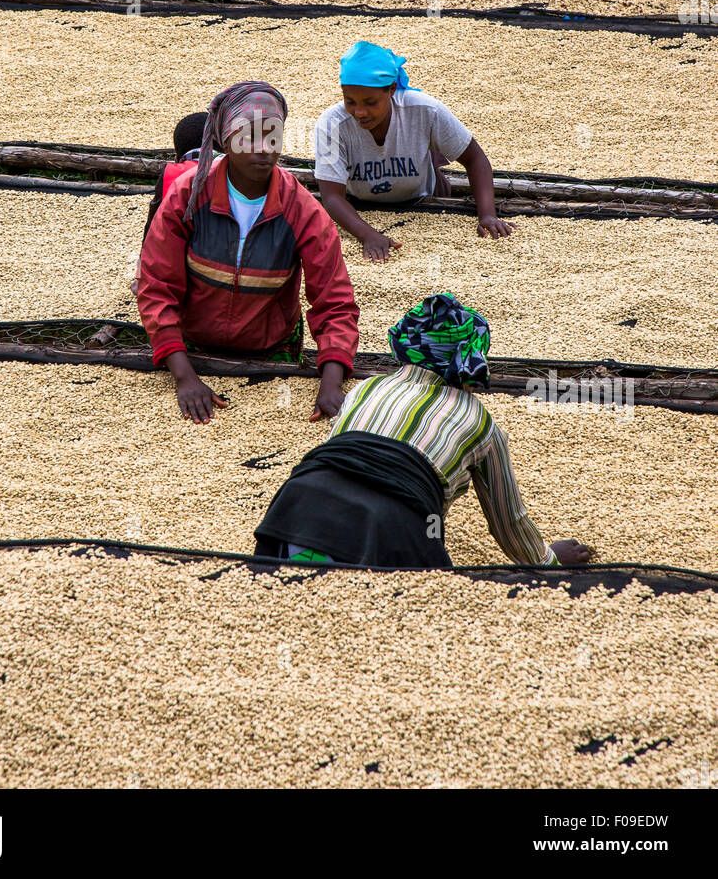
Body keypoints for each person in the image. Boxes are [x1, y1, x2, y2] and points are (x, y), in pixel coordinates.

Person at [255, 293, 593, 569]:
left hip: (297, 505)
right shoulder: (480, 422)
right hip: (389, 525)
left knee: (295, 592)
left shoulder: (365, 389)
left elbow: (343, 462)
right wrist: (547, 560)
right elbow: (508, 520)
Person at [136, 80, 360, 425]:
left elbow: (334, 301)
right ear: (226, 140)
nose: (264, 149)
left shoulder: (301, 209)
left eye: (273, 136)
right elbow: (157, 284)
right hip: (192, 348)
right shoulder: (188, 196)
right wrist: (183, 376)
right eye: (249, 136)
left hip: (273, 351)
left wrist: (331, 382)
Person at [314, 40, 516, 263]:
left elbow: (475, 158)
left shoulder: (424, 110)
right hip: (359, 208)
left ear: (391, 90)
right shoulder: (332, 124)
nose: (359, 112)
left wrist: (487, 214)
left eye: (370, 103)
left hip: (424, 203)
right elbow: (332, 196)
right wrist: (368, 235)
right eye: (350, 101)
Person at [141, 111, 209, 245]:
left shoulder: (171, 175)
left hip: (174, 254)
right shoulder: (235, 171)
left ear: (176, 158)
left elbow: (152, 229)